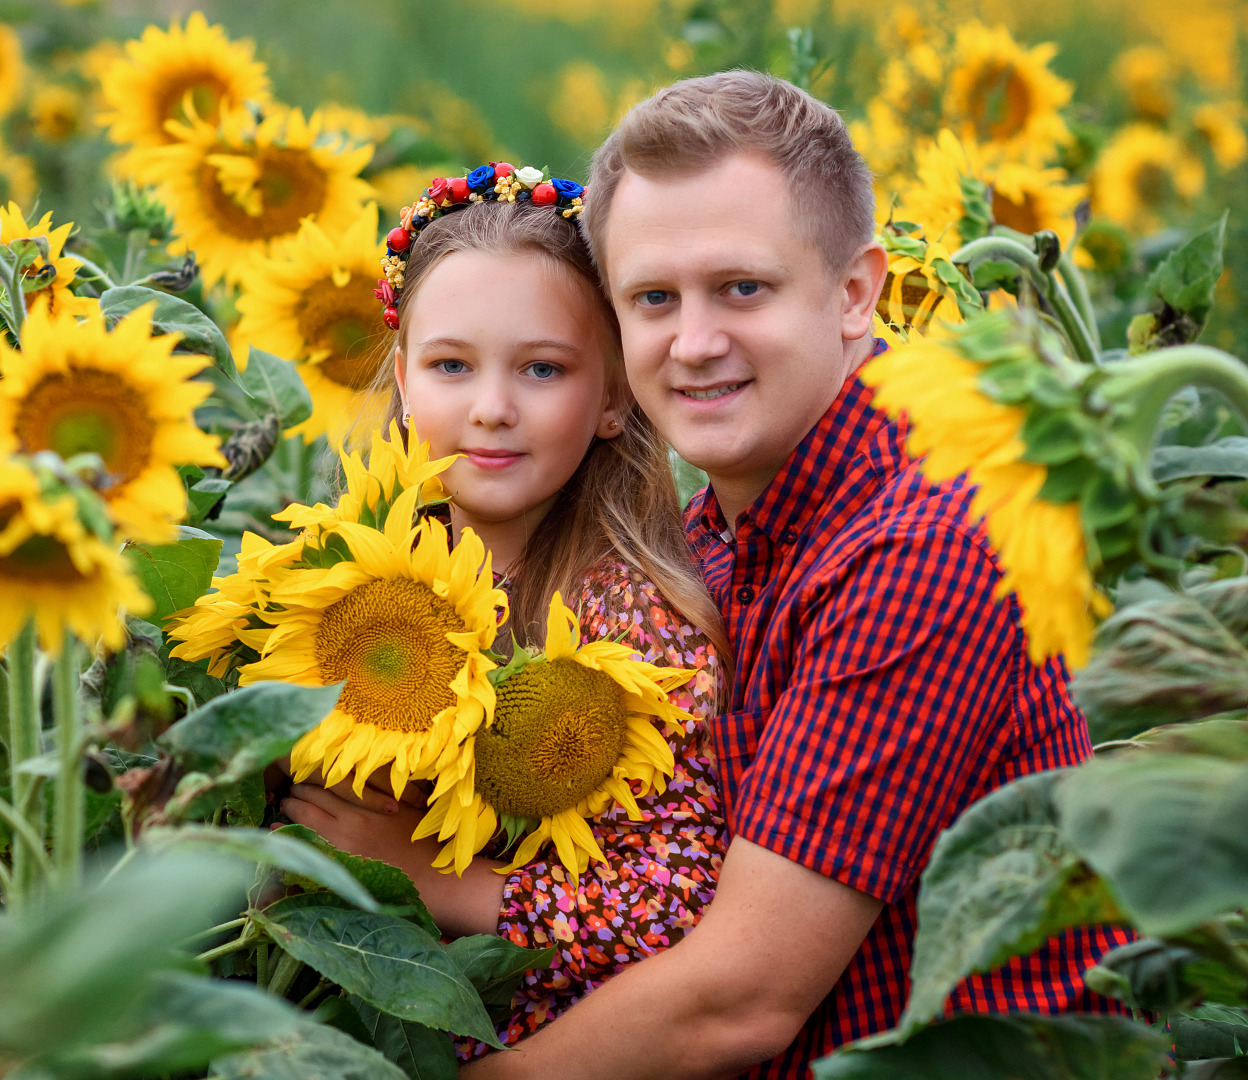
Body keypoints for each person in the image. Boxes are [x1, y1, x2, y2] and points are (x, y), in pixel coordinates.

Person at [457, 71, 1135, 1079]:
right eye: (653, 298)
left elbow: (740, 1000)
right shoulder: (711, 537)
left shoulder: (922, 542)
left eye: (743, 288)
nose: (693, 343)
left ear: (857, 292)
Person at [281, 177, 732, 1051]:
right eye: (453, 365)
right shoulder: (335, 581)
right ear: (404, 378)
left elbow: (675, 905)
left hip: (531, 1046)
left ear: (613, 397)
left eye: (541, 368)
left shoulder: (631, 620)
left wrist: (432, 878)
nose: (492, 406)